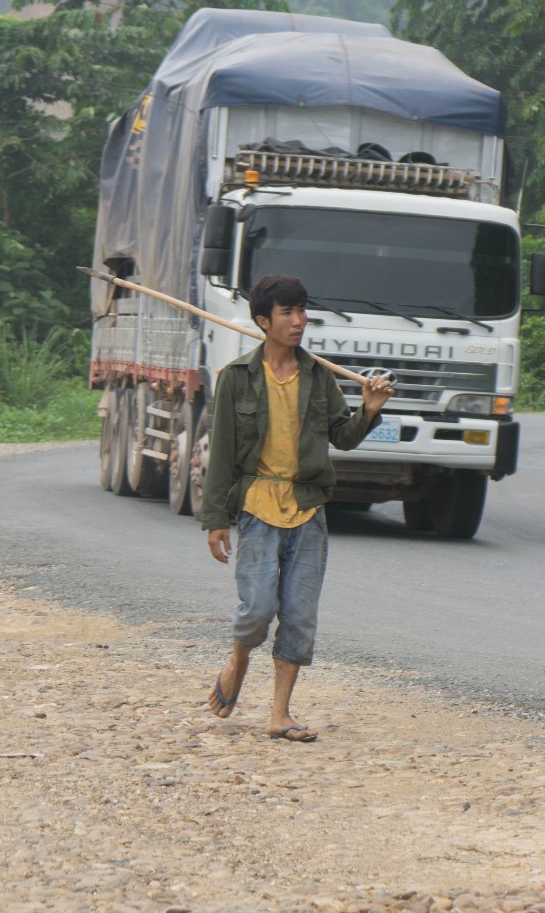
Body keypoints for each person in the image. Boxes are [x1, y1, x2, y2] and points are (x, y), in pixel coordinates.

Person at [200, 273, 394, 741]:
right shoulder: (238, 380)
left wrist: (368, 409)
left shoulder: (319, 377)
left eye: (302, 310)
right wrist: (215, 521)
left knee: (299, 615)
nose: (299, 321)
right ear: (264, 321)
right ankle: (239, 658)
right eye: (287, 312)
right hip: (257, 507)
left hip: (308, 510)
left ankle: (279, 714)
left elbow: (342, 438)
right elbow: (222, 455)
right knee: (258, 608)